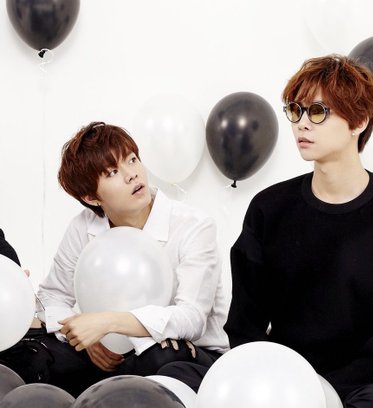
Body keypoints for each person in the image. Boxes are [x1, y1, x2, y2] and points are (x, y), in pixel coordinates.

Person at [223, 55, 373, 408]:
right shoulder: (268, 209)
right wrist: (280, 384)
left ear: (359, 121)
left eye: (318, 112)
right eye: (296, 110)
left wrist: (322, 395)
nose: (302, 124)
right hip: (281, 385)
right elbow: (244, 324)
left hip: (362, 389)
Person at [2, 122, 229, 396]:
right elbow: (51, 297)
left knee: (161, 356)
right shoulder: (83, 227)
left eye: (132, 160)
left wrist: (107, 323)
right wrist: (86, 340)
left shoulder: (193, 225)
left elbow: (192, 318)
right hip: (114, 357)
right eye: (112, 172)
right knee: (37, 358)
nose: (132, 174)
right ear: (91, 197)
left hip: (185, 353)